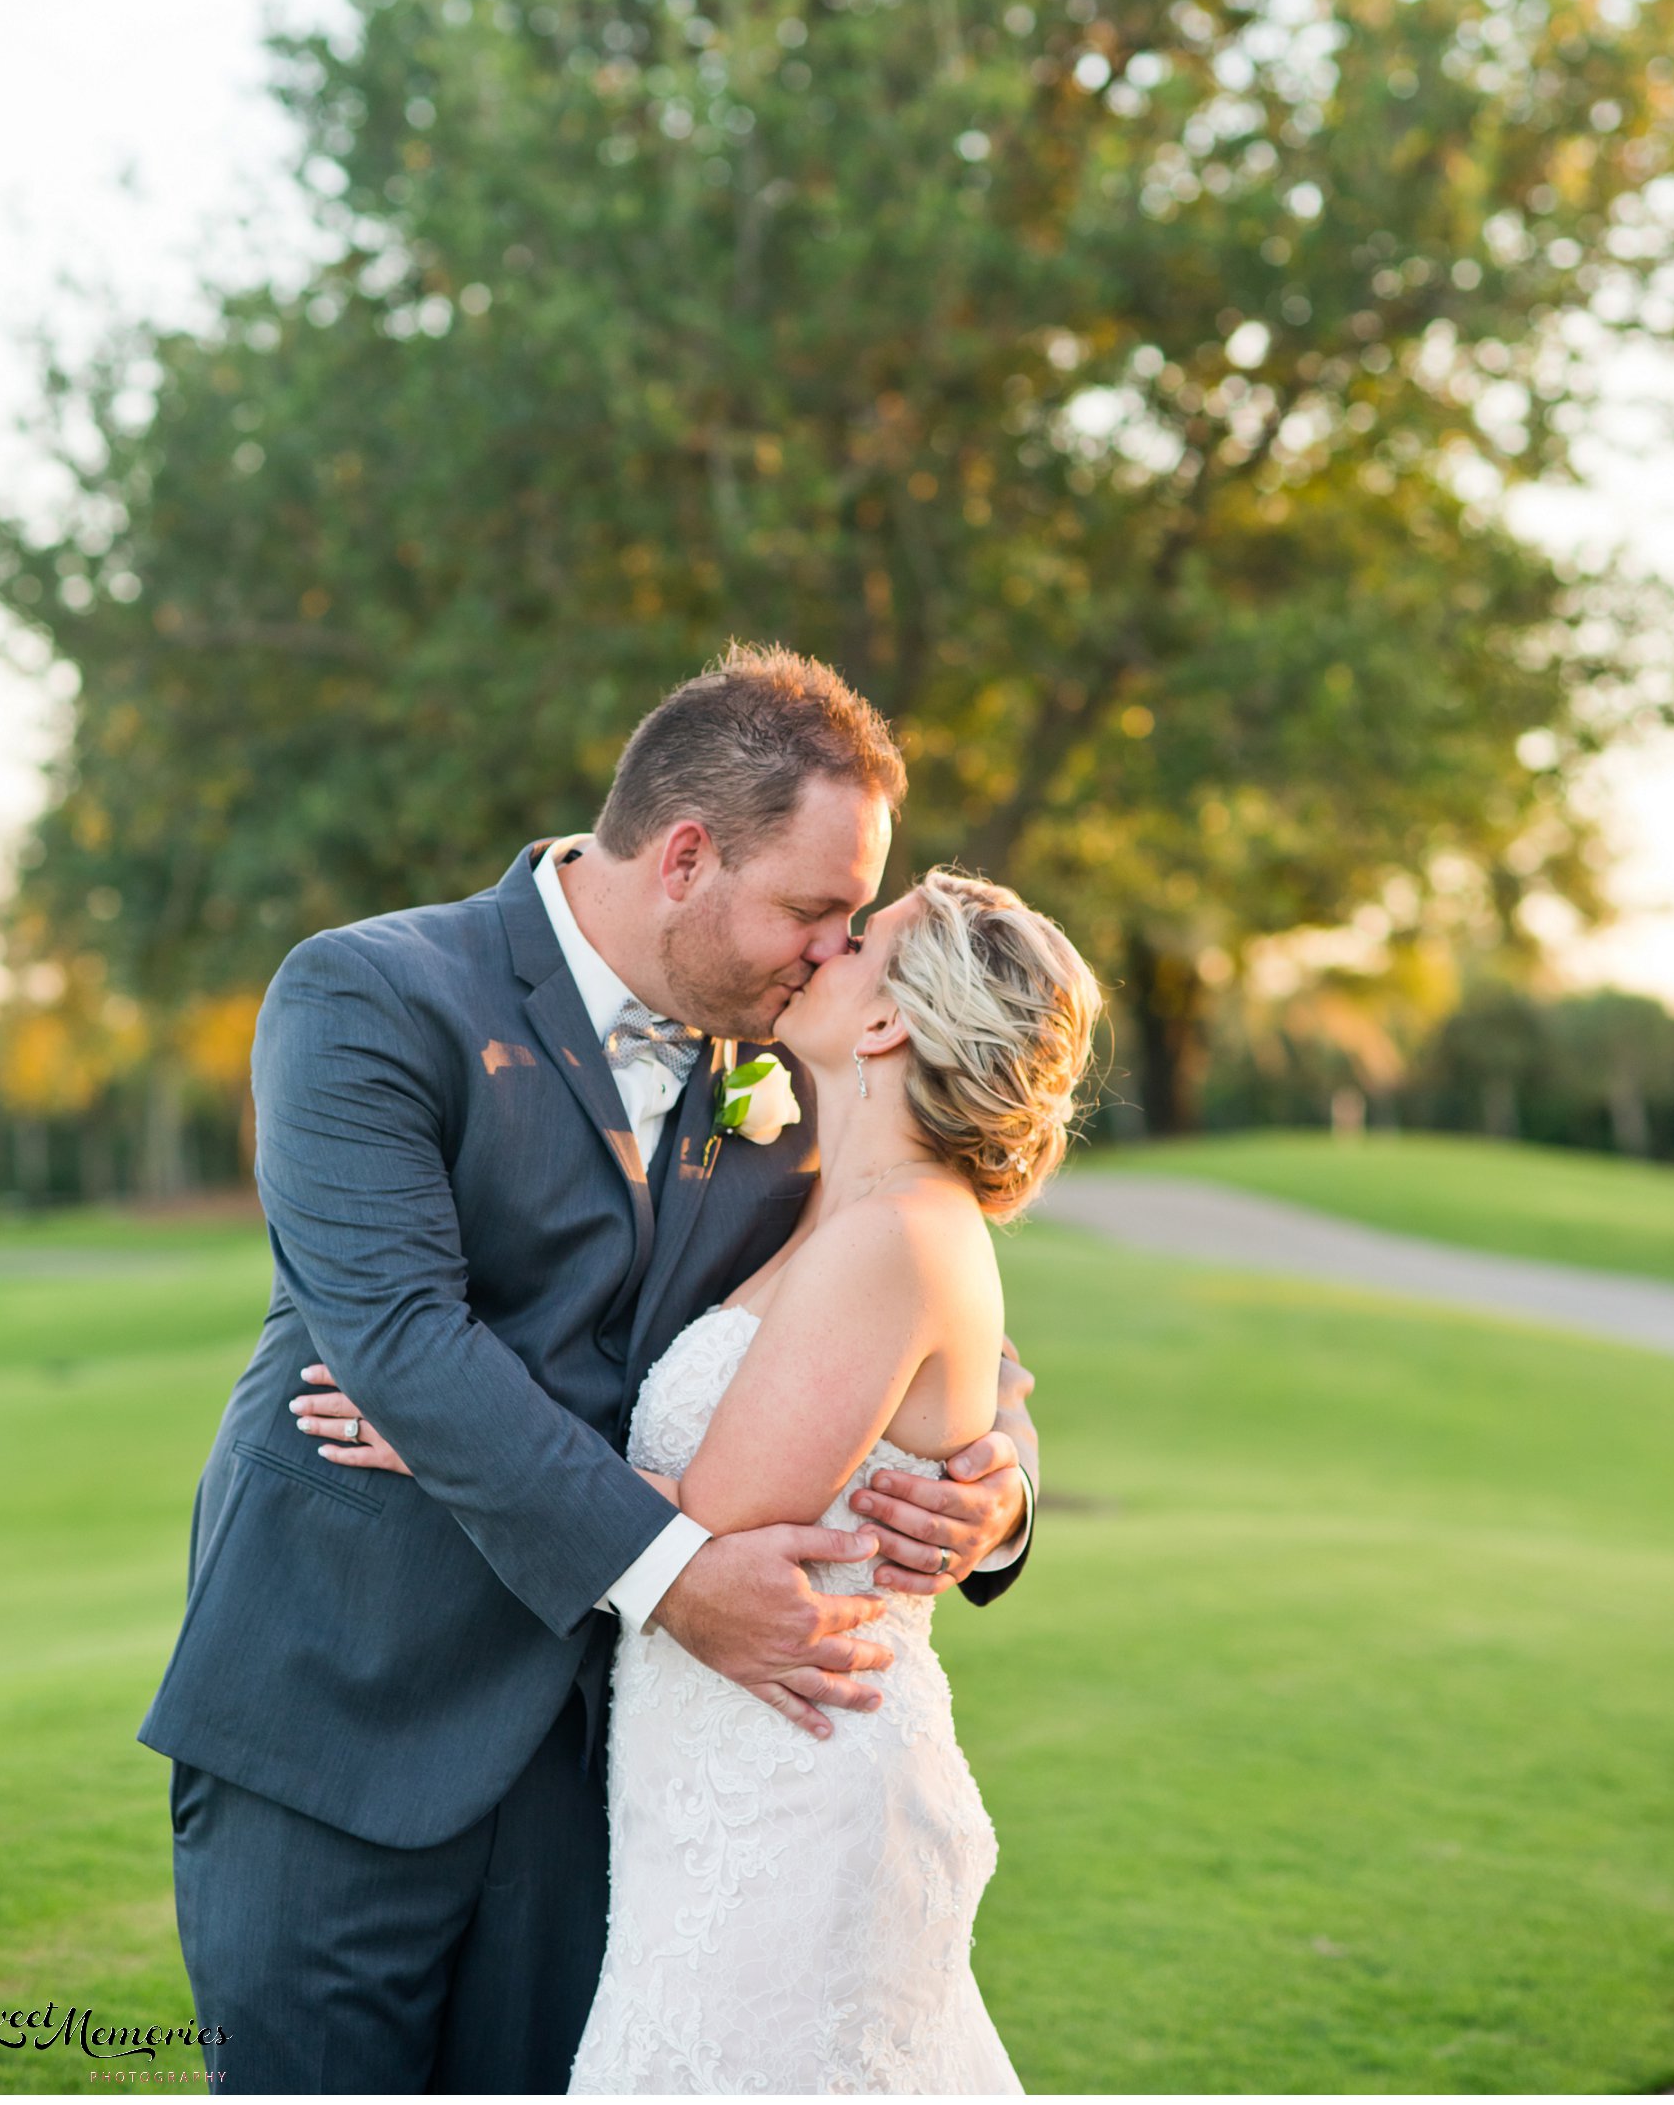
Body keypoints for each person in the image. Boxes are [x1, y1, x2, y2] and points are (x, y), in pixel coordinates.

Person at [137, 647, 1042, 2094]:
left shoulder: (799, 1073)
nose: (832, 950)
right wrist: (681, 1572)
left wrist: (995, 1486)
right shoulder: (370, 994)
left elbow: (929, 1308)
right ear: (686, 855)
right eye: (813, 909)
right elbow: (400, 1343)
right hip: (343, 1717)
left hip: (598, 1775)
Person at [317, 865, 1104, 2093]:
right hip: (712, 1779)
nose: (823, 948)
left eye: (860, 939)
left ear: (890, 1022)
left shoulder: (896, 1232)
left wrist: (445, 1431)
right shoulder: (827, 1198)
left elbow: (702, 1530)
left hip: (790, 1788)